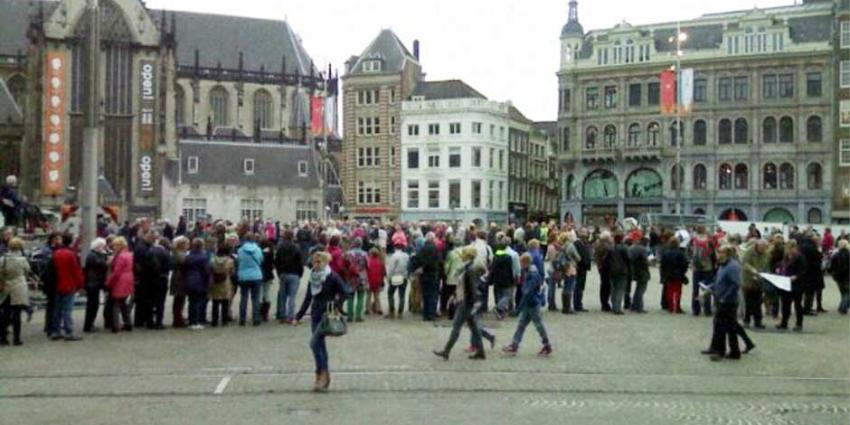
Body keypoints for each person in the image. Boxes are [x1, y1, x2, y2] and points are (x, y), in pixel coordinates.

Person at [295, 251, 351, 392]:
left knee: (314, 343)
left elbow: (345, 291)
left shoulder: (332, 277)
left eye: (319, 262)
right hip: (315, 314)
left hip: (327, 315)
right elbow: (308, 298)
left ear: (326, 262)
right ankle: (322, 376)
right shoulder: (313, 277)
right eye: (314, 261)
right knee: (320, 346)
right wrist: (298, 316)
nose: (316, 264)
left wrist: (336, 304)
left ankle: (321, 374)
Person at [433, 246, 489, 361]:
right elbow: (462, 286)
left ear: (468, 256)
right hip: (465, 301)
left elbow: (472, 288)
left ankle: (446, 350)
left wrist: (474, 302)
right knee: (474, 328)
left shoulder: (470, 269)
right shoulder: (467, 268)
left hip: (466, 303)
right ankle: (481, 351)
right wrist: (454, 295)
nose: (461, 256)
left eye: (464, 254)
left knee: (456, 327)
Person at [704, 244, 750, 361]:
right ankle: (734, 352)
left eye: (721, 252)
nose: (718, 254)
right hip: (721, 300)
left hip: (728, 302)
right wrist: (709, 289)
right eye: (718, 252)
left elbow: (735, 284)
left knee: (721, 327)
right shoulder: (722, 266)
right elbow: (718, 281)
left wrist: (725, 297)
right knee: (730, 327)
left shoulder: (732, 266)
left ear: (728, 254)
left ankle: (720, 351)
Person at [502, 254, 553, 357]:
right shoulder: (532, 272)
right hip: (531, 303)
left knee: (538, 325)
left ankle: (547, 345)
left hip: (532, 304)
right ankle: (514, 344)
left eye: (521, 263)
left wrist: (518, 309)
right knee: (522, 325)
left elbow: (527, 293)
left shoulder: (531, 275)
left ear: (525, 263)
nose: (520, 265)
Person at [49, 234, 84, 341]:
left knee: (57, 309)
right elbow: (76, 271)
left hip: (57, 284)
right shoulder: (71, 255)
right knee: (67, 309)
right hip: (69, 284)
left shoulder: (56, 254)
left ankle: (56, 331)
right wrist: (81, 284)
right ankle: (69, 331)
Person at [0, 238, 30, 345]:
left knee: (5, 313)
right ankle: (17, 338)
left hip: (6, 287)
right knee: (17, 314)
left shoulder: (3, 259)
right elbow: (27, 271)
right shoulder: (22, 260)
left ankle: (3, 337)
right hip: (19, 287)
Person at [105, 237, 134, 333]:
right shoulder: (129, 254)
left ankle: (115, 326)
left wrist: (109, 282)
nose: (113, 247)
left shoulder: (120, 256)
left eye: (115, 245)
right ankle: (128, 323)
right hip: (128, 279)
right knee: (123, 303)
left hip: (120, 280)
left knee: (116, 304)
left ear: (120, 245)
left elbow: (117, 272)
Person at [274, 230, 304, 324]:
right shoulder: (296, 247)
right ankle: (291, 316)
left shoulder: (280, 247)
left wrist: (279, 273)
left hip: (283, 273)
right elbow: (300, 262)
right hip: (294, 274)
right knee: (292, 296)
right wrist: (300, 273)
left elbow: (276, 261)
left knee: (283, 296)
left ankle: (282, 316)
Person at [778, 240, 807, 332]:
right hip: (786, 283)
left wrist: (797, 276)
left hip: (797, 285)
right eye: (788, 248)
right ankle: (784, 322)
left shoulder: (800, 257)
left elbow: (804, 271)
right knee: (785, 304)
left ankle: (799, 324)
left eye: (791, 248)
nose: (790, 250)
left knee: (798, 305)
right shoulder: (786, 257)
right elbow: (783, 267)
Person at [236, 233, 264, 326]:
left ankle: (242, 319)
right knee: (255, 298)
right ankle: (256, 318)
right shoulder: (258, 250)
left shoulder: (240, 250)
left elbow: (239, 261)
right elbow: (261, 260)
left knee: (243, 298)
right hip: (256, 276)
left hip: (243, 276)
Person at [741, 239, 770, 329]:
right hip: (748, 280)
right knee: (749, 302)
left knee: (758, 302)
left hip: (760, 280)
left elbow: (767, 265)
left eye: (765, 248)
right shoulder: (749, 252)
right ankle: (747, 320)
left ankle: (758, 321)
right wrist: (753, 270)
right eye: (762, 248)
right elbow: (745, 264)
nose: (763, 250)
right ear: (758, 246)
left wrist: (765, 274)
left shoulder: (766, 253)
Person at [83, 238, 109, 333]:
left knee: (93, 304)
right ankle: (89, 325)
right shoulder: (93, 256)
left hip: (93, 283)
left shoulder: (92, 255)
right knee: (92, 305)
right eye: (103, 246)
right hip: (93, 283)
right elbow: (101, 265)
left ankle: (90, 324)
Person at [185, 239, 211, 330]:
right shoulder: (203, 257)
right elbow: (206, 271)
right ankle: (196, 322)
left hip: (189, 279)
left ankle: (191, 320)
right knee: (197, 302)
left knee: (191, 302)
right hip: (199, 281)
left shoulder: (188, 256)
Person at [690, 227, 716, 317]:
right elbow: (713, 254)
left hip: (696, 268)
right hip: (707, 268)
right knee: (707, 289)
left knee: (695, 289)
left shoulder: (693, 239)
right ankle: (707, 310)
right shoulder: (709, 240)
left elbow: (689, 251)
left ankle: (695, 309)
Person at [148, 237, 172, 330]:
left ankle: (150, 321)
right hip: (162, 279)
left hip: (150, 279)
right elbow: (169, 266)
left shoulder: (150, 251)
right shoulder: (166, 253)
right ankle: (159, 322)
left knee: (151, 301)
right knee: (160, 301)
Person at [343, 237, 369, 322]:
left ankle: (350, 316)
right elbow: (368, 265)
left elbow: (345, 265)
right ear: (361, 244)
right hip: (362, 276)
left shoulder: (348, 253)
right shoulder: (364, 254)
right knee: (361, 297)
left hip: (351, 277)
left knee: (350, 297)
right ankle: (358, 316)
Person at [660, 237, 688, 314]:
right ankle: (677, 307)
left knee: (670, 291)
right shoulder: (681, 253)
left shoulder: (666, 253)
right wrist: (683, 273)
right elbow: (685, 264)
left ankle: (671, 307)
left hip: (668, 275)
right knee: (678, 291)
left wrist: (663, 275)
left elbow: (662, 265)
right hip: (678, 275)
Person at [606, 232, 631, 315]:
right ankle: (617, 308)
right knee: (620, 289)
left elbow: (606, 260)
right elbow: (628, 259)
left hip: (612, 271)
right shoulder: (624, 248)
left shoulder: (611, 248)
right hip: (622, 271)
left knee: (613, 289)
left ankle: (613, 306)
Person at [209, 247, 235, 327]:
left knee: (215, 302)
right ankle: (224, 320)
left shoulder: (212, 260)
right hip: (226, 282)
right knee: (225, 302)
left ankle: (214, 320)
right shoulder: (230, 261)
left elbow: (210, 270)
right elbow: (232, 272)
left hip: (215, 282)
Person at [170, 236, 190, 328]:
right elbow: (183, 263)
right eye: (186, 243)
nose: (188, 245)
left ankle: (179, 317)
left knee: (180, 299)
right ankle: (177, 319)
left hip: (179, 277)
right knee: (179, 299)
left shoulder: (179, 253)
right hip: (179, 278)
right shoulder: (179, 254)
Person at [386, 242, 410, 318]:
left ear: (395, 248)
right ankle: (400, 313)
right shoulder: (406, 255)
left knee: (390, 294)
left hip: (395, 276)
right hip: (403, 276)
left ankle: (392, 311)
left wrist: (389, 277)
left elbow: (391, 268)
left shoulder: (393, 256)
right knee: (402, 295)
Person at [628, 237, 650, 313]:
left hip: (635, 270)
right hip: (642, 271)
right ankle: (639, 307)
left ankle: (634, 305)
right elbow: (645, 261)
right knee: (641, 289)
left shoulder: (632, 248)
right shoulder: (643, 250)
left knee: (638, 289)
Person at [573, 228, 592, 312]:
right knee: (578, 286)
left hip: (583, 268)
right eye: (584, 232)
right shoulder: (577, 243)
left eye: (586, 232)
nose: (586, 233)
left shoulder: (585, 243)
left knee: (581, 287)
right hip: (579, 268)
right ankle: (577, 304)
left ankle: (579, 303)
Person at [594, 231, 613, 311]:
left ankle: (604, 303)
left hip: (602, 267)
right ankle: (605, 303)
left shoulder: (600, 244)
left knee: (604, 286)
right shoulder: (604, 246)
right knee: (606, 286)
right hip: (605, 267)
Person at [829, 240, 849, 315]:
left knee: (843, 292)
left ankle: (843, 307)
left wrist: (832, 274)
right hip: (847, 276)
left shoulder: (836, 255)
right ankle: (843, 307)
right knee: (848, 293)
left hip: (838, 277)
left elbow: (831, 267)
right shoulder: (848, 254)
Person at [258, 238, 276, 322]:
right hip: (268, 274)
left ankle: (259, 312)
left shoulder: (258, 251)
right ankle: (265, 314)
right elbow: (272, 263)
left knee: (260, 294)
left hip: (259, 274)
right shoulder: (271, 251)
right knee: (267, 294)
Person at [366, 247, 385, 315]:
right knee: (377, 296)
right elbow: (383, 273)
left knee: (368, 296)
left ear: (370, 254)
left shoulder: (368, 262)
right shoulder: (380, 263)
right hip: (377, 281)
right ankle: (378, 308)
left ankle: (368, 309)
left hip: (369, 281)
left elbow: (366, 272)